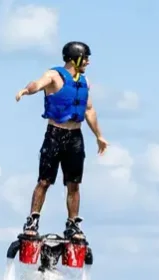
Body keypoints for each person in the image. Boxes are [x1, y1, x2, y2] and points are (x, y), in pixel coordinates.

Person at [15, 41, 108, 240]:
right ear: (76, 58)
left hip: (75, 137)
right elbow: (37, 85)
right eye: (86, 58)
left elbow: (89, 110)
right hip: (55, 135)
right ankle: (33, 219)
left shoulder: (84, 82)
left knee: (74, 184)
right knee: (44, 181)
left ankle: (73, 224)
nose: (88, 63)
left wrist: (99, 135)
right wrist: (25, 91)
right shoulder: (54, 76)